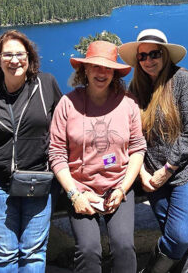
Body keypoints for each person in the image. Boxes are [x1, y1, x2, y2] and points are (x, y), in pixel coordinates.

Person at [120, 29, 188, 273]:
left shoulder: (183, 80)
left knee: (180, 235)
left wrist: (167, 169)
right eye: (142, 56)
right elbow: (133, 136)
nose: (148, 60)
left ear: (165, 55)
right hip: (152, 172)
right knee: (173, 234)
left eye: (154, 54)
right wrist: (141, 172)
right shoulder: (136, 87)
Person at [49, 40, 147, 273]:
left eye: (107, 68)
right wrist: (74, 195)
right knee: (88, 249)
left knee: (124, 247)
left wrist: (123, 188)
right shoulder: (68, 104)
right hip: (80, 189)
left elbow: (137, 148)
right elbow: (56, 153)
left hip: (118, 186)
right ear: (85, 70)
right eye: (95, 66)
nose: (101, 73)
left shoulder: (128, 103)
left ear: (114, 73)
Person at [0, 30, 63, 273]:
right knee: (4, 254)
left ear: (29, 57)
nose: (14, 60)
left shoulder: (46, 85)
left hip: (39, 179)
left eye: (20, 54)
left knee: (33, 251)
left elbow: (64, 126)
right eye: (8, 55)